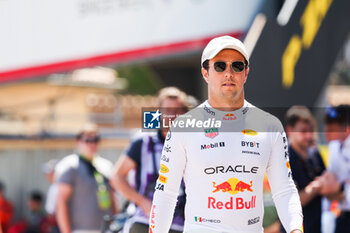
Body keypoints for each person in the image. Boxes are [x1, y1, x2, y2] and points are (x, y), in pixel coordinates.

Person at [149, 35, 303, 233]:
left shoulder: (269, 125)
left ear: (246, 73)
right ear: (206, 73)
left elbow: (284, 190)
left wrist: (295, 229)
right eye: (220, 66)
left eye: (237, 66)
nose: (229, 73)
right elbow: (166, 194)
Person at [110, 87, 189, 233]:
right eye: (168, 110)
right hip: (145, 222)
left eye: (178, 110)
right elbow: (116, 177)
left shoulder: (192, 143)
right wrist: (143, 203)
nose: (173, 116)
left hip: (181, 225)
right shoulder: (143, 142)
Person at [55, 123, 118, 233]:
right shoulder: (70, 166)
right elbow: (61, 202)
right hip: (79, 230)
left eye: (96, 140)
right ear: (78, 142)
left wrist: (115, 225)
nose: (92, 144)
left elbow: (112, 199)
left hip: (106, 229)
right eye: (88, 140)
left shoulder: (106, 166)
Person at [283, 106, 326, 233]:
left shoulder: (315, 153)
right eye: (303, 131)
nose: (309, 136)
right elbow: (291, 201)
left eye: (311, 130)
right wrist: (315, 187)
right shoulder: (283, 159)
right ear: (290, 131)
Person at [318, 105, 350, 233]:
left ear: (346, 130)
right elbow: (330, 178)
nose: (326, 132)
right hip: (344, 215)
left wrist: (339, 188)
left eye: (332, 129)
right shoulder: (334, 146)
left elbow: (334, 186)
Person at [42, 159, 60, 233]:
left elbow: (53, 213)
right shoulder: (55, 186)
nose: (47, 176)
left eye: (50, 173)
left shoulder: (57, 187)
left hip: (58, 224)